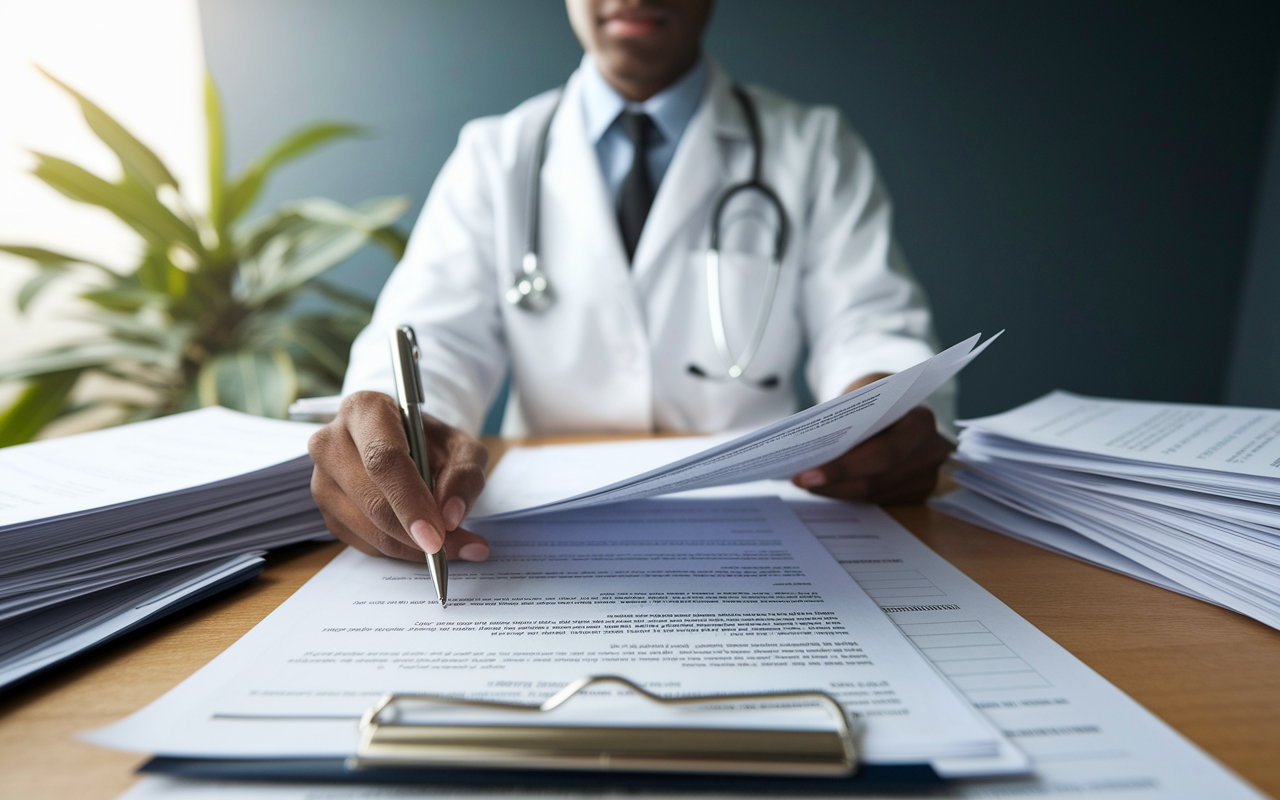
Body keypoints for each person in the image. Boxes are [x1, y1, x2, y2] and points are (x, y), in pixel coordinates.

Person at [308, 0, 954, 564]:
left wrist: (883, 404)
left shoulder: (812, 146)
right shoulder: (496, 155)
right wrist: (398, 424)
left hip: (764, 517)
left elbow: (870, 322)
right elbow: (432, 339)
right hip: (548, 528)